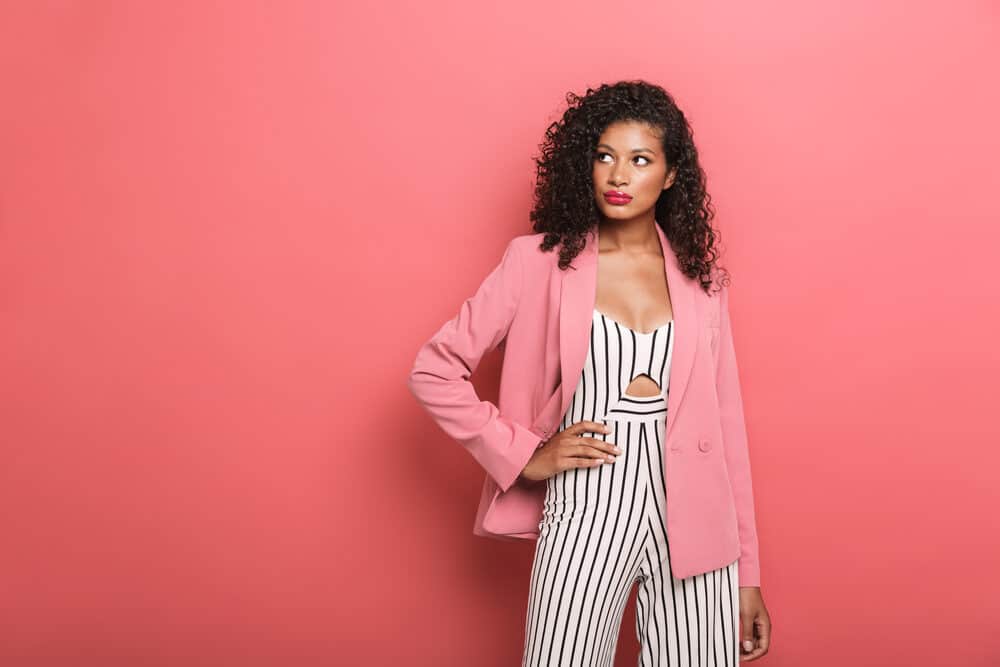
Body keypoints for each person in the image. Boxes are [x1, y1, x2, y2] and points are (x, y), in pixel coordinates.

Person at [407, 80, 772, 665]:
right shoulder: (538, 262)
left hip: (696, 517)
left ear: (672, 175)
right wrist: (526, 454)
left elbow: (729, 431)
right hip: (586, 503)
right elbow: (434, 371)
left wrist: (747, 572)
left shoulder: (704, 283)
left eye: (640, 160)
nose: (618, 176)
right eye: (605, 156)